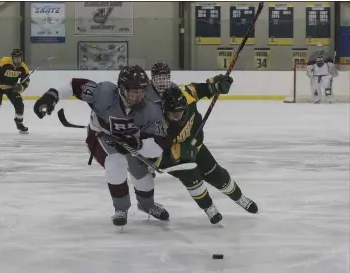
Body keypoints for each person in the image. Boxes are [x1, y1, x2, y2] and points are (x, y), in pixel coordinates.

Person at [33, 65, 169, 227]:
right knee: (115, 163)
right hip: (102, 137)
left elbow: (159, 144)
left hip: (132, 142)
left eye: (142, 92)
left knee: (142, 177)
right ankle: (121, 208)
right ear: (121, 89)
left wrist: (139, 144)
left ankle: (147, 205)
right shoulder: (103, 93)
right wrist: (52, 95)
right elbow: (74, 85)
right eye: (134, 92)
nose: (139, 97)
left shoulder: (151, 110)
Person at [155, 80, 258, 225]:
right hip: (174, 158)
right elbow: (154, 155)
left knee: (217, 174)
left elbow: (200, 89)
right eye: (173, 113)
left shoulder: (186, 93)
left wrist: (216, 85)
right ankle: (209, 208)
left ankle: (239, 197)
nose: (178, 116)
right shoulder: (155, 122)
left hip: (195, 145)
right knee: (192, 177)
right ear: (164, 111)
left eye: (180, 111)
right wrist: (175, 155)